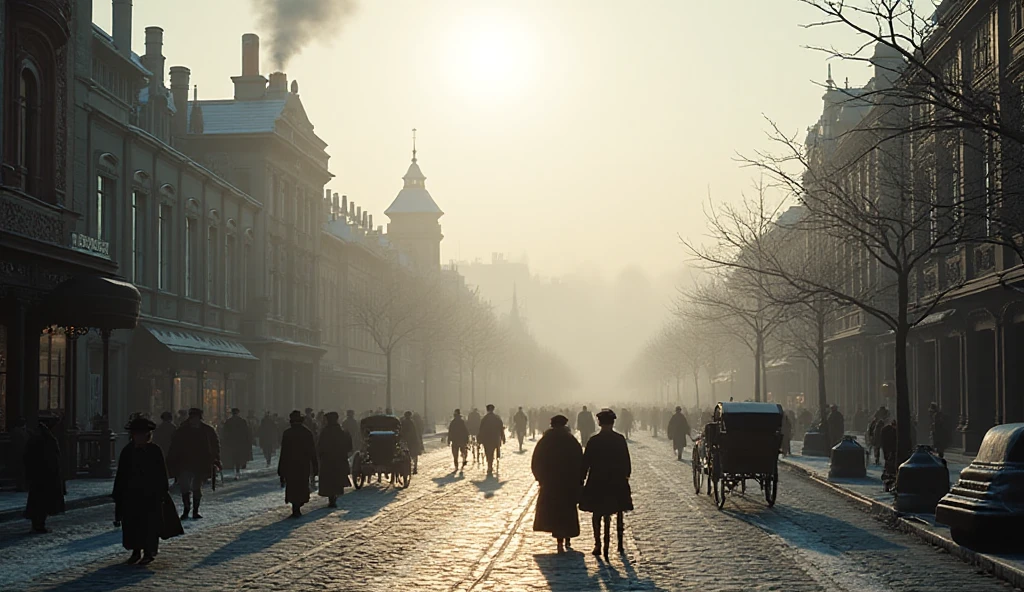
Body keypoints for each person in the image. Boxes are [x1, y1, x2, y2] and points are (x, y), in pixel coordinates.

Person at [113, 415, 183, 565]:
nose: (138, 437)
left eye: (141, 434)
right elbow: (121, 474)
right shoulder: (128, 451)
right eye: (136, 434)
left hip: (150, 494)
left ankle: (148, 552)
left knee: (150, 525)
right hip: (131, 494)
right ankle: (135, 551)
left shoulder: (154, 450)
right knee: (132, 524)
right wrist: (118, 493)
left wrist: (162, 491)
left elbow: (161, 473)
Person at [580, 409, 633, 560]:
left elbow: (586, 462)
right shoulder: (619, 439)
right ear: (613, 423)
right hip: (616, 481)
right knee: (619, 509)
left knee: (597, 513)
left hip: (598, 481)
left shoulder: (594, 440)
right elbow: (626, 460)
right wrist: (626, 475)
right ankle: (620, 543)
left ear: (599, 423)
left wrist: (581, 478)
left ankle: (597, 543)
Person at [532, 414, 583, 553]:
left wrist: (540, 478)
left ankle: (559, 540)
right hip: (568, 482)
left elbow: (536, 460)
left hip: (551, 482)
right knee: (567, 510)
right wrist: (579, 479)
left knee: (554, 511)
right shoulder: (570, 440)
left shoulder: (545, 441)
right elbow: (579, 460)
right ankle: (567, 536)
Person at [166, 408, 220, 520]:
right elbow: (174, 446)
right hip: (185, 462)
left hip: (200, 463)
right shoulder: (182, 431)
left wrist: (215, 459)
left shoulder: (207, 430)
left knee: (196, 487)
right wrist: (171, 460)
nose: (194, 420)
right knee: (185, 486)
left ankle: (195, 510)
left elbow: (215, 445)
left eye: (196, 417)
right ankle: (186, 509)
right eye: (192, 417)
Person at [23, 414, 65, 534]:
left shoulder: (42, 436)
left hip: (42, 474)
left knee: (40, 500)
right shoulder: (43, 438)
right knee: (41, 501)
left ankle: (38, 523)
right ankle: (38, 524)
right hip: (43, 475)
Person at [279, 410, 318, 517]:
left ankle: (295, 506)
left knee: (292, 486)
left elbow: (284, 453)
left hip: (290, 465)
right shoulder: (307, 432)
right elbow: (312, 451)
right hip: (303, 464)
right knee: (301, 485)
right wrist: (315, 466)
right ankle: (298, 505)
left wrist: (281, 471)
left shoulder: (287, 433)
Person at [317, 412, 352, 508]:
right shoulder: (342, 431)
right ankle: (334, 497)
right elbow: (349, 446)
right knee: (337, 479)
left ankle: (331, 498)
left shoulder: (324, 432)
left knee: (329, 479)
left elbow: (320, 446)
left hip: (327, 460)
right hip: (339, 459)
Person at [223, 408, 252, 480]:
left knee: (234, 456)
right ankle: (237, 470)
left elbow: (225, 433)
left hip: (232, 442)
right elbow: (246, 432)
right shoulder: (242, 421)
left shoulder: (229, 422)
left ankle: (237, 470)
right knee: (238, 457)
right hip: (239, 442)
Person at [479, 404, 506, 476]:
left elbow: (481, 429)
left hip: (486, 439)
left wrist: (480, 439)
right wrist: (503, 437)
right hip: (495, 438)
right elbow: (501, 429)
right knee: (493, 451)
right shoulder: (497, 418)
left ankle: (489, 465)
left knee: (488, 452)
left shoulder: (484, 418)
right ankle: (490, 464)